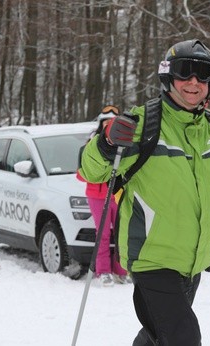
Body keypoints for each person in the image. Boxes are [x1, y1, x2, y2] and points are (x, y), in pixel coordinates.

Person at [79, 39, 210, 345]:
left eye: (203, 74)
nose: (194, 82)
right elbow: (92, 171)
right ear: (168, 78)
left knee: (159, 334)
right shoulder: (143, 124)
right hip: (153, 258)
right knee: (183, 338)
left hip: (192, 260)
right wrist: (105, 144)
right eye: (185, 73)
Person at [76, 105, 130, 287]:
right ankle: (103, 271)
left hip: (116, 193)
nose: (109, 126)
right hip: (97, 196)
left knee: (122, 233)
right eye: (106, 123)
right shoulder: (91, 146)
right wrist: (99, 174)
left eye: (113, 123)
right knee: (103, 234)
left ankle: (121, 270)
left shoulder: (123, 145)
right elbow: (81, 173)